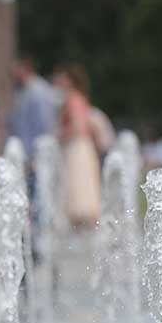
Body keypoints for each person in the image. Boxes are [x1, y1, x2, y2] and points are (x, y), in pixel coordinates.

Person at [57, 65, 102, 231]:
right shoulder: (79, 97)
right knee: (82, 186)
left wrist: (59, 135)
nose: (59, 80)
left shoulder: (72, 98)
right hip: (81, 146)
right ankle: (84, 232)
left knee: (78, 186)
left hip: (77, 147)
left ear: (70, 80)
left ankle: (81, 230)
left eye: (62, 77)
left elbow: (79, 126)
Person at [7, 56, 58, 161]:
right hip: (25, 150)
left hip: (37, 150)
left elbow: (45, 123)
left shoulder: (39, 91)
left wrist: (37, 154)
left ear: (24, 69)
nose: (11, 75)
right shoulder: (21, 90)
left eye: (14, 70)